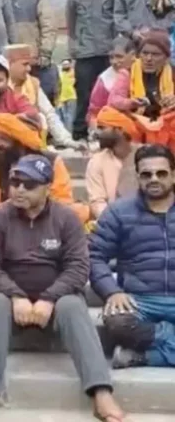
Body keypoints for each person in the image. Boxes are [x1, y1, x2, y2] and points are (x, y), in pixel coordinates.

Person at [0, 155, 125, 422]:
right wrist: (16, 295)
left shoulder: (66, 219)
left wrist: (48, 298)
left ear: (47, 187)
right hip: (10, 301)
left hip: (56, 302)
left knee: (72, 304)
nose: (19, 189)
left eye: (29, 184)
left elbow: (79, 268)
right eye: (15, 182)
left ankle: (101, 392)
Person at [91, 144, 175, 371]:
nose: (154, 179)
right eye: (146, 174)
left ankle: (145, 357)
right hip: (140, 300)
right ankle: (167, 334)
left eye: (161, 173)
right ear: (137, 177)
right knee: (117, 321)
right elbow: (94, 256)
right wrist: (112, 291)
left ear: (173, 175)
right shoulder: (119, 212)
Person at [0, 113, 90, 229]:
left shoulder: (52, 161)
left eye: (5, 139)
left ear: (22, 143)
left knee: (79, 212)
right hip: (7, 223)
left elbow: (63, 200)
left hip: (46, 221)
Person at [0, 44, 77, 149]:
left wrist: (66, 140)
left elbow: (49, 114)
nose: (29, 69)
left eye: (29, 64)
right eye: (25, 64)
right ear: (10, 63)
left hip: (21, 144)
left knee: (40, 118)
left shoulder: (32, 83)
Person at [67, 0, 116, 140]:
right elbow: (71, 25)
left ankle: (108, 132)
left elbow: (117, 19)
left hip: (108, 53)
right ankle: (79, 134)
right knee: (83, 95)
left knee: (109, 94)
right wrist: (75, 49)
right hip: (85, 54)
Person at [0, 0, 57, 103]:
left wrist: (45, 53)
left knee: (39, 100)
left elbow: (49, 26)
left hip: (34, 61)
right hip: (6, 62)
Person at [86, 108, 142, 220]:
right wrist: (114, 223)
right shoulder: (97, 162)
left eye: (102, 128)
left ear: (120, 130)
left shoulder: (145, 155)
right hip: (115, 223)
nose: (97, 133)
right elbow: (97, 202)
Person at [108, 29, 174, 121]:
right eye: (145, 53)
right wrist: (131, 103)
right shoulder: (127, 72)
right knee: (107, 115)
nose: (149, 58)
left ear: (166, 58)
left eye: (155, 54)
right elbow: (113, 101)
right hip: (136, 120)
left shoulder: (173, 73)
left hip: (166, 121)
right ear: (139, 54)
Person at [88, 37, 136, 130]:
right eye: (111, 57)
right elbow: (94, 113)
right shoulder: (104, 80)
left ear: (132, 55)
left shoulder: (144, 71)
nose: (114, 62)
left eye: (119, 56)